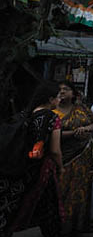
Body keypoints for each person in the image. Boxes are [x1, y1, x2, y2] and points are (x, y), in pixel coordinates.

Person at [0, 82, 64, 237]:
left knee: (16, 204)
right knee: (49, 208)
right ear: (50, 99)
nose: (60, 100)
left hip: (21, 166)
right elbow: (55, 151)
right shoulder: (52, 118)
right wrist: (61, 167)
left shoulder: (25, 114)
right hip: (42, 169)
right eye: (58, 97)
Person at [54, 81, 93, 237]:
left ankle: (80, 224)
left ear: (73, 94)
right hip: (62, 156)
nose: (62, 92)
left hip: (83, 156)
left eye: (65, 89)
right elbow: (52, 134)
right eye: (59, 90)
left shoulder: (81, 109)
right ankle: (62, 226)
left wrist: (86, 129)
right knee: (62, 190)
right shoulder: (53, 111)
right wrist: (74, 133)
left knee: (81, 190)